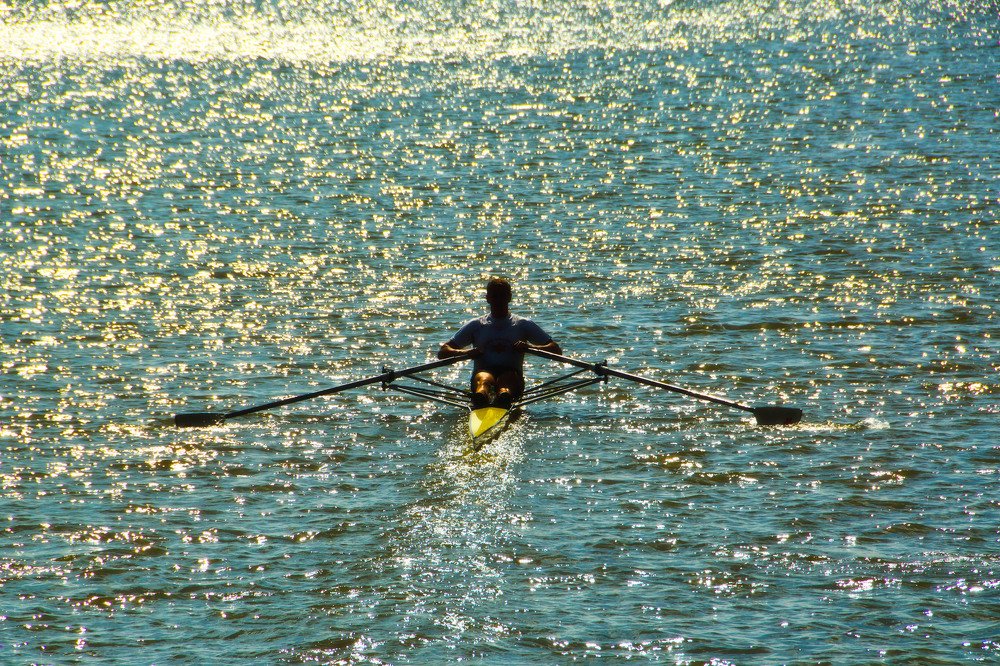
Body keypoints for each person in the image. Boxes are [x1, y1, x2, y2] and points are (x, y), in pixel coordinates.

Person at [438, 277, 562, 409]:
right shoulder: (476, 325)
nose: (498, 300)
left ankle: (503, 396)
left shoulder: (523, 324)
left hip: (512, 376)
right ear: (487, 298)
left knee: (506, 380)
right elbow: (443, 351)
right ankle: (482, 396)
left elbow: (555, 349)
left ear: (509, 297)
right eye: (495, 296)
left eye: (502, 296)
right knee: (484, 379)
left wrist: (529, 347)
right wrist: (467, 352)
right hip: (483, 373)